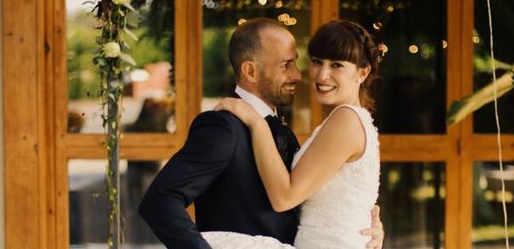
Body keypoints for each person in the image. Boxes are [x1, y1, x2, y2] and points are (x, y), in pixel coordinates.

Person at [139, 18, 383, 249]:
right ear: (251, 71)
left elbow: (306, 198)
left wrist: (359, 226)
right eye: (287, 65)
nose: (300, 74)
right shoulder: (224, 127)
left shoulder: (284, 128)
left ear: (362, 72)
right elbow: (161, 200)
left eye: (297, 62)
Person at [213, 20, 383, 249]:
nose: (322, 75)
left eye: (337, 65)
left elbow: (284, 197)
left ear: (362, 73)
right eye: (316, 62)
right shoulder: (346, 120)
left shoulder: (346, 120)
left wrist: (256, 122)